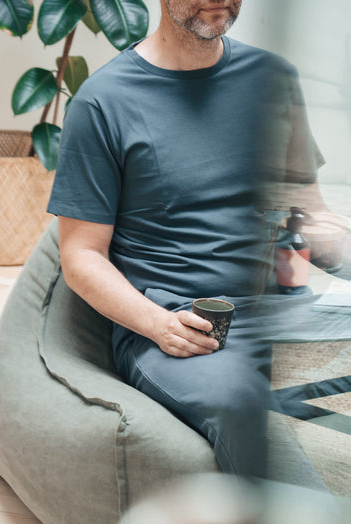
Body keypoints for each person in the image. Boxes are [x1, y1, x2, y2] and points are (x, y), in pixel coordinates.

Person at [47, 0, 325, 479]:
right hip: (184, 328)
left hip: (279, 309)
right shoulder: (103, 101)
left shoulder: (273, 78)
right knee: (244, 408)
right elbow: (80, 255)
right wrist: (158, 325)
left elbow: (310, 210)